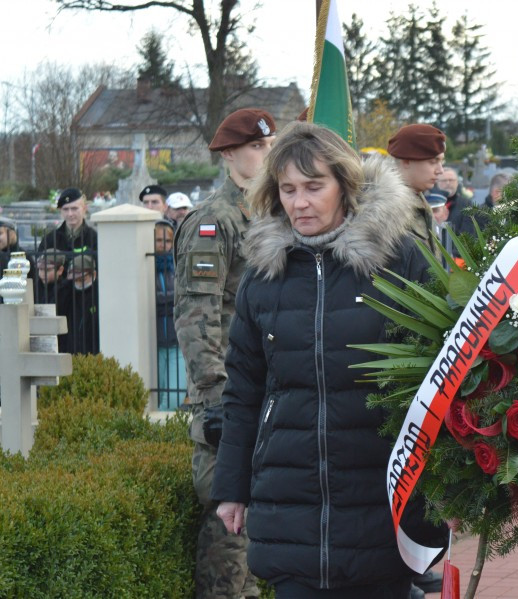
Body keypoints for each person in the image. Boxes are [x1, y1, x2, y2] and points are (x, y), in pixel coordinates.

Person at [211, 121, 447, 598]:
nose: (300, 202)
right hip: (288, 503)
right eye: (288, 189)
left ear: (345, 184)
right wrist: (231, 487)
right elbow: (243, 390)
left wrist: (448, 486)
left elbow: (440, 377)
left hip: (380, 498)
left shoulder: (399, 259)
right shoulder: (263, 274)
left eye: (314, 187)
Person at [174, 107, 277, 599]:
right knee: (228, 535)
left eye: (270, 145)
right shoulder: (214, 221)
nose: (267, 153)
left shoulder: (269, 215)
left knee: (255, 539)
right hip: (228, 395)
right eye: (257, 146)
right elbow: (196, 314)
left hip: (265, 389)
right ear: (229, 154)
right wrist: (215, 395)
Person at [387, 123, 445, 258]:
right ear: (407, 161)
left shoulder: (418, 200)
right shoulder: (384, 210)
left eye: (441, 162)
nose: (440, 170)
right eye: (433, 161)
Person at [154, 220, 185, 410]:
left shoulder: (178, 265)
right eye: (158, 240)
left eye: (167, 241)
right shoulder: (146, 267)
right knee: (154, 397)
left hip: (177, 343)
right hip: (154, 346)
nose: (163, 245)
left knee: (175, 397)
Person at [38, 188, 98, 278]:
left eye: (74, 208)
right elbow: (40, 272)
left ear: (84, 209)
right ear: (61, 211)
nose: (70, 214)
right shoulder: (50, 240)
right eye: (65, 209)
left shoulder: (94, 238)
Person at [65, 254, 99, 355]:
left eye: (82, 279)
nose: (78, 284)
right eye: (75, 280)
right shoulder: (69, 293)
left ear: (94, 274)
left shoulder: (98, 294)